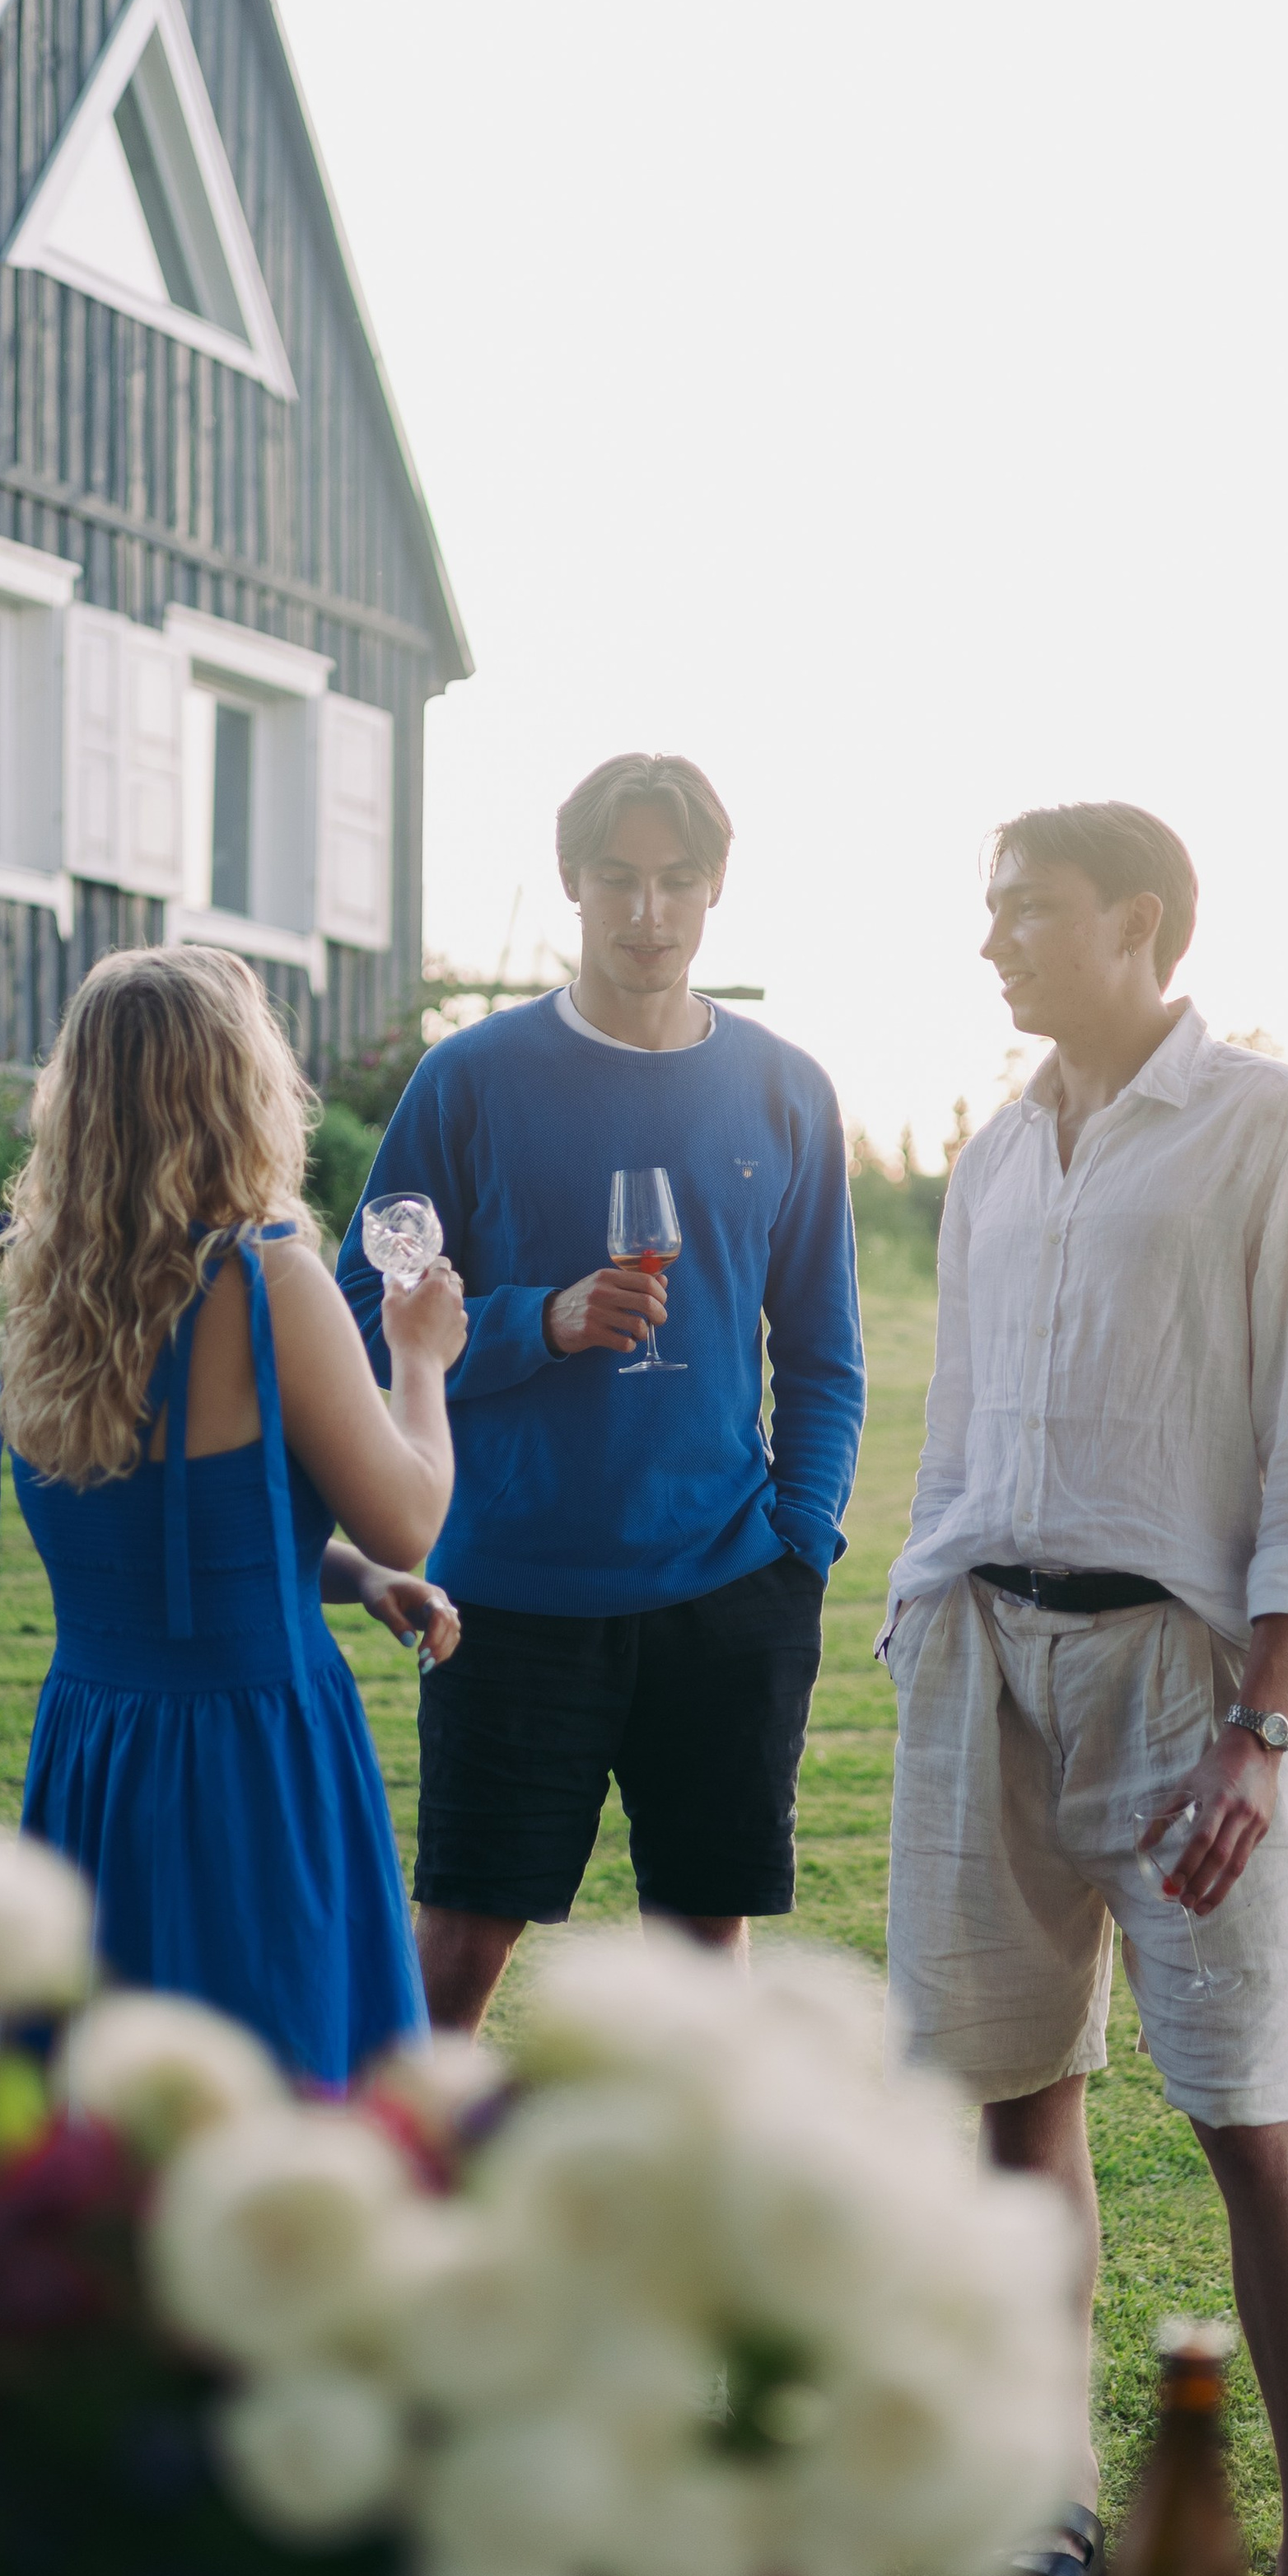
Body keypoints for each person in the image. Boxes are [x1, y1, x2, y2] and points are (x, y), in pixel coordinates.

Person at [883, 802, 1288, 2576]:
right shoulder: (996, 1151)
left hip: (1183, 1685)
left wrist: (1263, 1722)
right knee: (1013, 2108)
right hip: (983, 1667)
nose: (992, 943)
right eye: (989, 910)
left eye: (1027, 913)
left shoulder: (1267, 1125)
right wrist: (918, 1616)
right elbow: (958, 1417)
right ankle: (1048, 2508)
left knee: (1245, 2108)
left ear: (1139, 925)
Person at [335, 751, 866, 2028]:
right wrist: (538, 1321)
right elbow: (365, 1314)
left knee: (705, 1965)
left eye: (677, 882)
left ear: (715, 888)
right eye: (618, 880)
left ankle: (690, 2229)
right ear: (570, 883)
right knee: (456, 1953)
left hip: (730, 1592)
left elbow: (825, 1355)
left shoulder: (788, 1091)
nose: (646, 914)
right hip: (510, 1593)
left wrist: (799, 1551)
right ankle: (391, 2207)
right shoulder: (467, 1083)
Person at [0, 943, 466, 2085]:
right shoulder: (266, 1283)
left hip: (98, 1750)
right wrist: (420, 1359)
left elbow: (175, 1532)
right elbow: (412, 1517)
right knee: (270, 2088)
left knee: (103, 2130)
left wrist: (338, 1576)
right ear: (239, 1092)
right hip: (249, 1757)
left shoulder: (47, 1289)